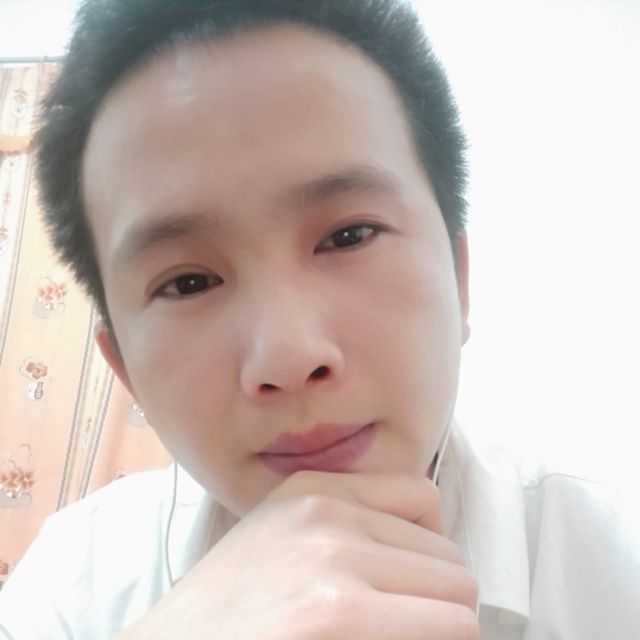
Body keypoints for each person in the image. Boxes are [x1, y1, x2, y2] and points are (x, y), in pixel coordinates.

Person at [0, 0, 637, 638]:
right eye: (188, 282)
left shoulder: (617, 562)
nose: (290, 355)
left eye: (348, 236)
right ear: (124, 368)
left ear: (459, 279)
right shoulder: (71, 589)